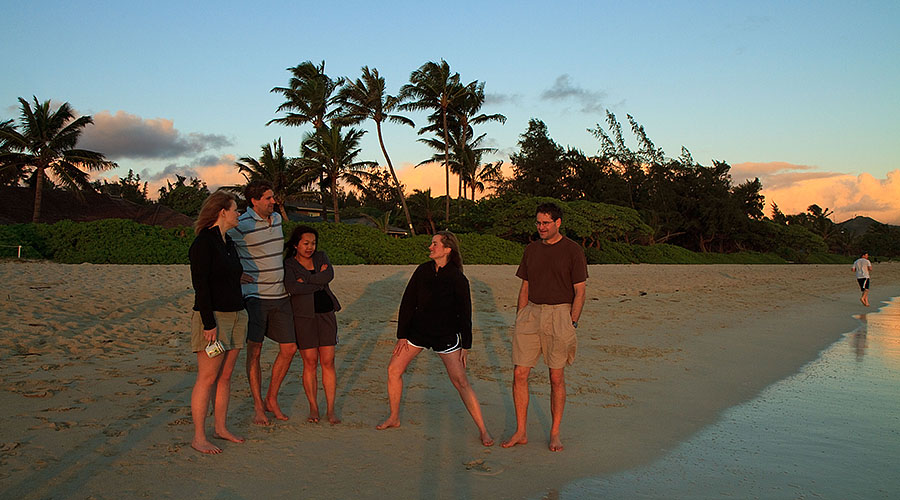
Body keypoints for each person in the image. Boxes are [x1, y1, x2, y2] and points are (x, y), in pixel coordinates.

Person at [376, 231, 493, 447]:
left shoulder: (457, 278)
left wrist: (465, 345)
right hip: (417, 332)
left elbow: (465, 313)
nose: (430, 247)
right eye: (431, 243)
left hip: (446, 335)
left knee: (461, 382)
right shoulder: (422, 270)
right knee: (393, 370)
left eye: (435, 244)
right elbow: (408, 302)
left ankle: (483, 430)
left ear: (447, 249)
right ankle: (394, 417)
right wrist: (402, 335)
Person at [502, 202, 587, 452]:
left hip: (560, 314)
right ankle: (520, 431)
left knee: (556, 376)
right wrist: (520, 317)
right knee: (519, 374)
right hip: (531, 314)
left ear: (558, 223)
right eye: (538, 223)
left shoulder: (573, 251)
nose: (541, 227)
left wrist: (572, 321)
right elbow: (525, 286)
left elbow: (580, 292)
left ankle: (555, 432)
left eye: (546, 223)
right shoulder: (531, 250)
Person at [228, 180, 296, 425]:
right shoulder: (240, 224)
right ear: (254, 201)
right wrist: (234, 271)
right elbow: (216, 244)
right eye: (268, 198)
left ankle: (271, 398)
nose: (273, 201)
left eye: (272, 197)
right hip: (255, 297)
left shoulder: (277, 219)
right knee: (254, 352)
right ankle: (258, 406)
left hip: (281, 295)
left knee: (289, 349)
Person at [188, 190, 247, 454]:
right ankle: (199, 436)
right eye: (236, 209)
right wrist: (208, 323)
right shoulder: (203, 243)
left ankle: (220, 428)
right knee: (207, 377)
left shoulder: (229, 242)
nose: (239, 214)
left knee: (225, 376)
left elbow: (229, 275)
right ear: (222, 211)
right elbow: (201, 286)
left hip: (237, 314)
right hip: (214, 319)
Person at [284, 225, 342, 425]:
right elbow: (292, 287)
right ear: (296, 244)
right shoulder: (289, 264)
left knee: (328, 362)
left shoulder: (321, 257)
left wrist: (306, 279)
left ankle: (331, 409)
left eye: (313, 243)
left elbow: (328, 276)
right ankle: (313, 408)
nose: (310, 247)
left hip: (326, 315)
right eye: (306, 243)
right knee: (310, 362)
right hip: (303, 317)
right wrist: (316, 281)